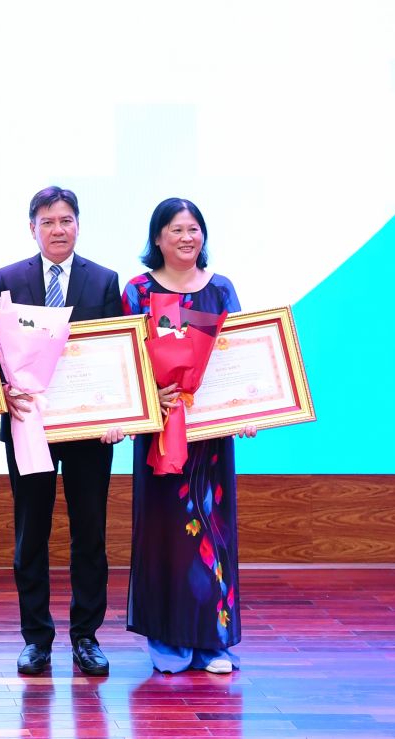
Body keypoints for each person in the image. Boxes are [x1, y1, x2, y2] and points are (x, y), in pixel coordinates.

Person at [121, 197, 252, 675]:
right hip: (160, 434)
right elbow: (125, 359)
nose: (185, 237)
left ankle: (212, 641)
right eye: (175, 229)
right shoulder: (137, 291)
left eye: (193, 228)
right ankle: (169, 639)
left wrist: (248, 409)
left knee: (213, 534)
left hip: (210, 439)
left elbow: (240, 356)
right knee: (165, 538)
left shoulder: (221, 289)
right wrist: (148, 397)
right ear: (157, 238)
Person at [0, 186, 123, 677]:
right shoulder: (8, 279)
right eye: (47, 222)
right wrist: (2, 390)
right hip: (29, 424)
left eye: (66, 220)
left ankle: (86, 636)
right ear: (32, 228)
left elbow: (115, 353)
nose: (57, 230)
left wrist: (118, 414)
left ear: (78, 225)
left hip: (88, 430)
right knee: (31, 533)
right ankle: (36, 639)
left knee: (89, 533)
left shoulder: (104, 280)